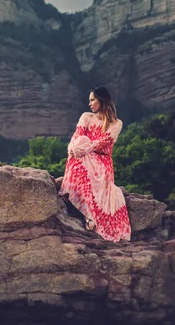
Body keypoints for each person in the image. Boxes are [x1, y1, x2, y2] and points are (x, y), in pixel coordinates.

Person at [59, 86, 131, 242]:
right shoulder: (86, 117)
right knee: (81, 141)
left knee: (83, 145)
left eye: (92, 100)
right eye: (89, 100)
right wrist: (72, 149)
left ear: (101, 100)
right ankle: (88, 215)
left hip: (102, 161)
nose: (90, 104)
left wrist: (82, 149)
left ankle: (90, 215)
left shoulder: (116, 123)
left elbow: (102, 142)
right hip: (82, 155)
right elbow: (76, 137)